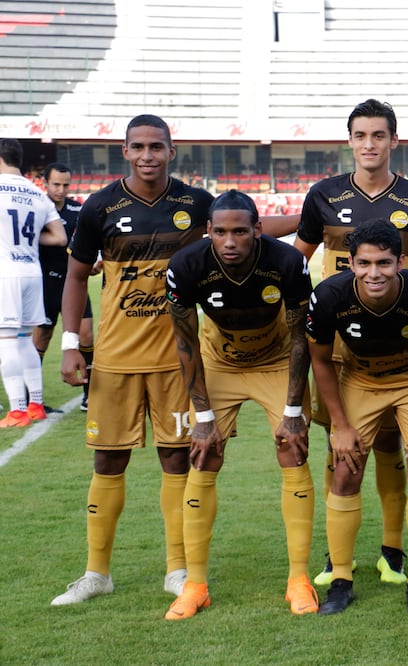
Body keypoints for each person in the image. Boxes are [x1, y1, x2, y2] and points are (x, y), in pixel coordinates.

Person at [52, 114, 214, 605]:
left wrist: (312, 214)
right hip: (116, 359)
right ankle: (97, 573)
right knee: (108, 459)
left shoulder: (194, 203)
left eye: (156, 147)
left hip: (176, 358)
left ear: (171, 150)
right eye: (138, 146)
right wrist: (70, 344)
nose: (148, 155)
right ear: (125, 151)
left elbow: (247, 228)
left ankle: (177, 569)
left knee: (176, 459)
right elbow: (77, 277)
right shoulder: (101, 206)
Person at [295, 99, 408, 587]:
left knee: (395, 450)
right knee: (343, 450)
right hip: (342, 348)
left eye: (379, 135)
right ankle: (337, 556)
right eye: (361, 136)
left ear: (393, 141)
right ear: (350, 140)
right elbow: (299, 262)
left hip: (402, 345)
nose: (369, 145)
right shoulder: (323, 195)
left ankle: (394, 550)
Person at [162, 190, 317, 619]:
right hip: (219, 362)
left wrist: (291, 411)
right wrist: (205, 417)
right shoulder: (186, 265)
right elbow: (185, 341)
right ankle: (195, 585)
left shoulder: (287, 262)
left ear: (257, 231)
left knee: (293, 447)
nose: (230, 241)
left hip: (275, 359)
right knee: (204, 453)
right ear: (208, 232)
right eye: (221, 232)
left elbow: (301, 337)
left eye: (240, 232)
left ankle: (298, 579)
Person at [307, 219, 408, 615]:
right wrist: (342, 426)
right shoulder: (330, 295)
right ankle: (340, 579)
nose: (374, 273)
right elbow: (320, 361)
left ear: (401, 261)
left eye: (384, 263)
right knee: (345, 469)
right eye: (365, 263)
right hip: (361, 377)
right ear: (349, 263)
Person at [0, 139, 66, 428]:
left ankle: (16, 411)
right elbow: (60, 237)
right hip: (31, 271)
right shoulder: (37, 193)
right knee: (25, 339)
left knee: (5, 342)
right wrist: (25, 241)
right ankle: (36, 405)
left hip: (6, 272)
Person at [34, 163, 96, 412]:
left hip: (75, 282)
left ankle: (89, 395)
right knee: (42, 339)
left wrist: (95, 263)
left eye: (66, 185)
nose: (61, 190)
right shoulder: (37, 208)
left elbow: (87, 246)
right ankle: (33, 400)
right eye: (56, 184)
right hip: (46, 282)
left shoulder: (77, 210)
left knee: (87, 335)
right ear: (45, 183)